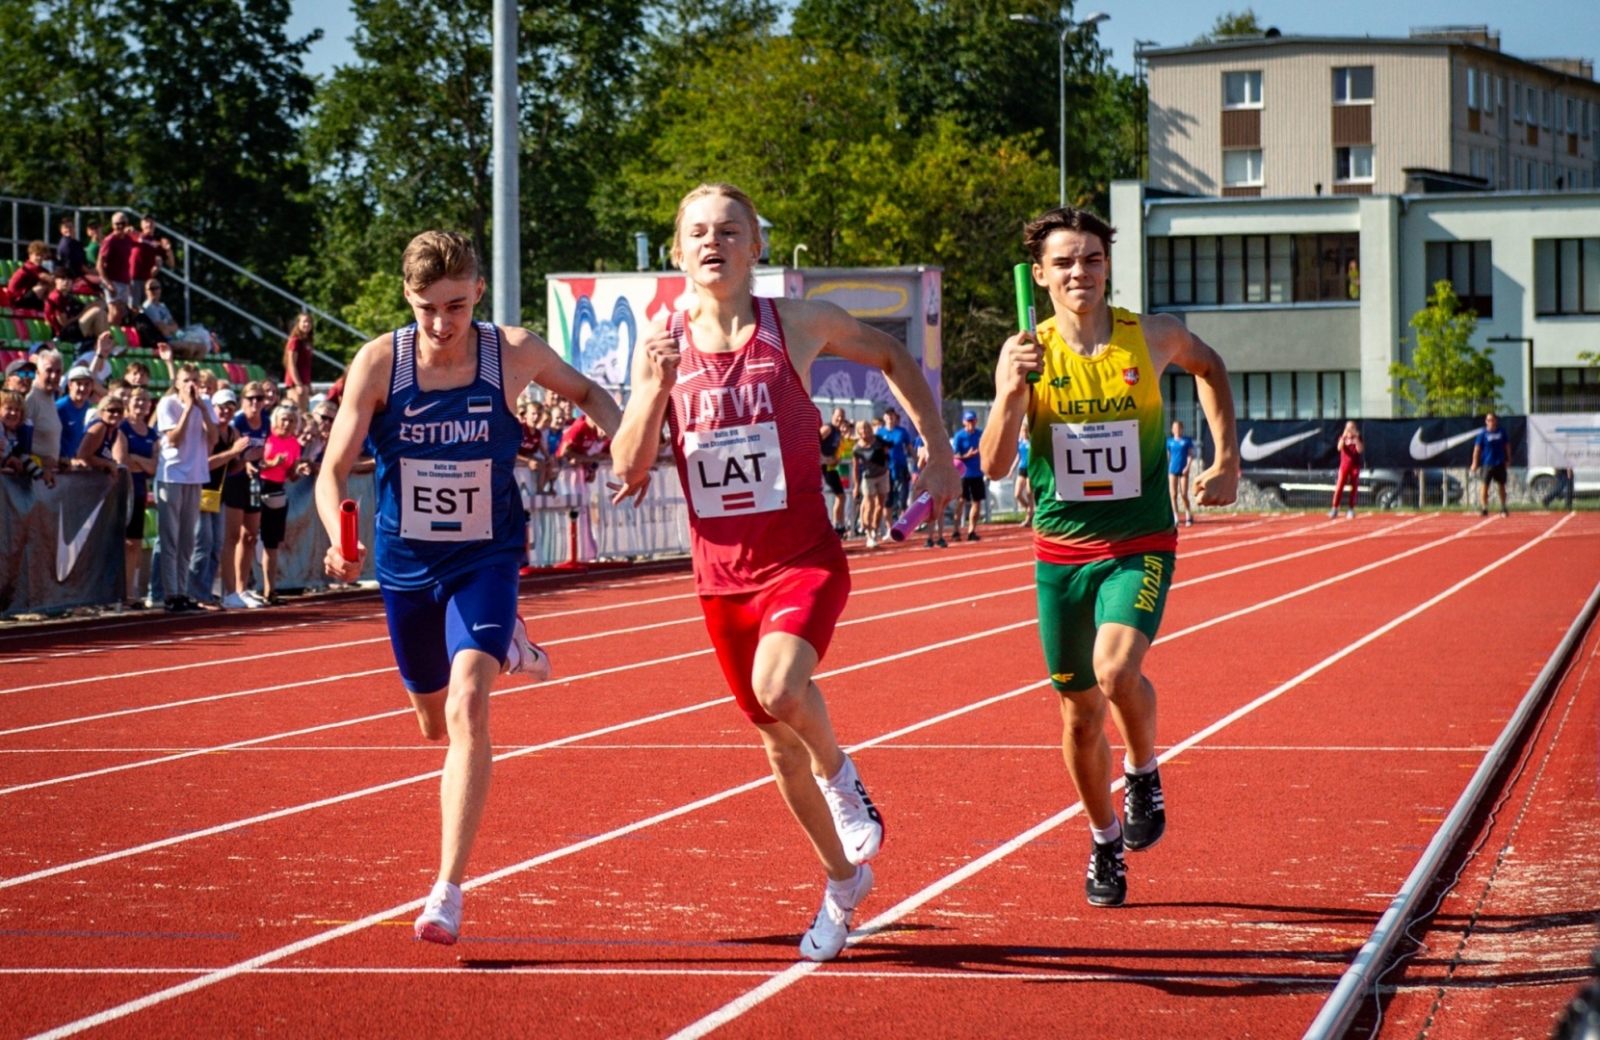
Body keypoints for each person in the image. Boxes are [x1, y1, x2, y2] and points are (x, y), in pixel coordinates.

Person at [607, 183, 958, 963]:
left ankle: (843, 776)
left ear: (755, 246)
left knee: (780, 689)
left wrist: (936, 447)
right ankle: (842, 885)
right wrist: (654, 387)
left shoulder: (795, 324)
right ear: (676, 251)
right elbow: (626, 467)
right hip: (721, 578)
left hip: (802, 560)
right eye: (697, 232)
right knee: (773, 746)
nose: (713, 243)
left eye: (729, 230)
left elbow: (894, 355)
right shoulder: (662, 345)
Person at [316, 229, 619, 946]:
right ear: (407, 298)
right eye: (427, 308)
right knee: (432, 724)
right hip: (404, 565)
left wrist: (625, 445)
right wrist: (337, 535)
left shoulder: (511, 352)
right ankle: (511, 644)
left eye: (455, 305)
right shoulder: (379, 363)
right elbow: (332, 472)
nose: (443, 324)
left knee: (469, 705)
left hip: (485, 557)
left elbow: (590, 392)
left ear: (478, 291)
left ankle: (447, 890)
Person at [980, 206, 1239, 908]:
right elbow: (996, 464)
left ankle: (1145, 769)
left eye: (1091, 259)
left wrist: (1227, 458)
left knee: (1116, 668)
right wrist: (1009, 393)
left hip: (1139, 541)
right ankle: (1102, 840)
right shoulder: (1025, 354)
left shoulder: (1148, 337)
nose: (1079, 272)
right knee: (1076, 716)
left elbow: (1209, 367)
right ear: (1040, 275)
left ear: (1107, 266)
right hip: (1060, 551)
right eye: (1064, 262)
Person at [154, 363, 218, 612]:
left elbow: (213, 438)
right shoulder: (168, 404)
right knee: (170, 537)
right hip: (171, 476)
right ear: (177, 383)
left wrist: (201, 407)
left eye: (194, 380)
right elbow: (173, 439)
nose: (191, 385)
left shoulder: (205, 404)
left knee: (187, 539)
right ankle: (171, 593)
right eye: (186, 380)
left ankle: (182, 589)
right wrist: (189, 408)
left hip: (195, 475)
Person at [221, 382, 271, 609]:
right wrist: (245, 462)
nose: (255, 403)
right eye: (250, 398)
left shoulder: (266, 421)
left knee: (250, 536)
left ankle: (243, 588)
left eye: (259, 398)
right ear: (243, 400)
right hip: (233, 480)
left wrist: (260, 463)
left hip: (254, 480)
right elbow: (231, 459)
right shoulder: (237, 422)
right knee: (232, 536)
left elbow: (263, 451)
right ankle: (229, 590)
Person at [258, 404, 306, 605]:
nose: (287, 424)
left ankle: (270, 591)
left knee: (272, 543)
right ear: (276, 420)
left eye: (292, 420)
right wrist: (272, 463)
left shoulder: (294, 444)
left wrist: (298, 471)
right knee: (247, 537)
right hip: (258, 487)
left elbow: (291, 474)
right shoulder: (267, 438)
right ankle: (237, 589)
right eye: (284, 419)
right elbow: (255, 464)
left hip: (277, 491)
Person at [121, 388, 160, 608]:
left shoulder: (151, 433)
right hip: (122, 490)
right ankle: (113, 593)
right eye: (137, 399)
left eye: (146, 400)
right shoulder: (122, 427)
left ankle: (128, 593)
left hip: (139, 491)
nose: (141, 404)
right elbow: (123, 459)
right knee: (119, 542)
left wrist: (136, 459)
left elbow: (154, 467)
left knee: (134, 543)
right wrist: (138, 460)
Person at [25, 347, 65, 483]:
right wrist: (41, 461)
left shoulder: (50, 397)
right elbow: (17, 442)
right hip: (29, 478)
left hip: (45, 478)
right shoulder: (31, 398)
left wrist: (59, 460)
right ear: (37, 372)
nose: (54, 376)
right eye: (49, 371)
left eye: (58, 372)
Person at [851, 418, 890, 547]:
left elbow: (888, 449)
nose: (865, 431)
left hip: (882, 474)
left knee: (880, 505)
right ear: (858, 431)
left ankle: (875, 529)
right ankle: (868, 534)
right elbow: (855, 467)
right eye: (862, 429)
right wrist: (856, 486)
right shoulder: (856, 448)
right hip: (868, 477)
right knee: (869, 503)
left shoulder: (878, 441)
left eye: (867, 428)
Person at [0, 389, 46, 484]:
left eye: (17, 410)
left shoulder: (14, 435)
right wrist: (6, 460)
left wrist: (41, 474)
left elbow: (22, 457)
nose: (13, 413)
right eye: (9, 408)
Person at [952, 410, 985, 541]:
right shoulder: (959, 436)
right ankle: (956, 530)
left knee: (977, 502)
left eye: (973, 420)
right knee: (962, 501)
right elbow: (954, 455)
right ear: (964, 422)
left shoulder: (980, 434)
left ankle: (972, 530)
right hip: (964, 474)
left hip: (977, 473)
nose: (971, 423)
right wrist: (967, 456)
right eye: (968, 420)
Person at [1471, 412, 1510, 518]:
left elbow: (1506, 446)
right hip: (1486, 464)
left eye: (1492, 420)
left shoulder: (1501, 432)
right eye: (1488, 420)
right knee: (1484, 486)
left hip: (1499, 463)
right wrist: (1474, 463)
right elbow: (1477, 449)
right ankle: (1484, 508)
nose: (1491, 422)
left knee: (1501, 486)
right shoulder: (1482, 434)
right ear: (1486, 421)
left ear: (1496, 420)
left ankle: (1503, 507)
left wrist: (1508, 459)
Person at [75, 392, 126, 475]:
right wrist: (108, 464)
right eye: (111, 411)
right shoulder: (100, 427)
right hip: (81, 477)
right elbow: (83, 457)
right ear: (102, 412)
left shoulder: (114, 431)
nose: (116, 414)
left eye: (120, 411)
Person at [56, 366, 97, 460]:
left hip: (71, 463)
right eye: (78, 384)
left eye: (87, 384)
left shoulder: (86, 405)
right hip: (58, 463)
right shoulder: (60, 407)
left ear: (92, 386)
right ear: (70, 385)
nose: (82, 388)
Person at [878, 407, 913, 517]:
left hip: (900, 466)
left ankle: (902, 522)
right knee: (888, 498)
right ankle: (889, 527)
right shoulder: (879, 433)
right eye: (888, 415)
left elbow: (909, 448)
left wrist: (917, 463)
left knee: (903, 497)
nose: (890, 418)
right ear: (884, 417)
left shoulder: (902, 432)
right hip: (886, 468)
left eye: (892, 415)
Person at [97, 213, 137, 305]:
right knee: (115, 311)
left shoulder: (128, 239)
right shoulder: (109, 241)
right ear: (112, 225)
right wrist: (108, 284)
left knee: (123, 312)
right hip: (112, 280)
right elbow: (99, 264)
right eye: (117, 224)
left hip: (124, 281)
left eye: (123, 223)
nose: (120, 226)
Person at [820, 407, 847, 535]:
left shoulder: (838, 432)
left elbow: (835, 449)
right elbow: (814, 441)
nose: (840, 419)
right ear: (832, 416)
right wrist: (824, 458)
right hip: (819, 466)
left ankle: (838, 524)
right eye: (838, 416)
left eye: (842, 416)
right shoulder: (828, 428)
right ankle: (832, 525)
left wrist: (836, 458)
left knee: (841, 495)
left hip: (829, 467)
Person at [1330, 421, 1362, 519]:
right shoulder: (1342, 437)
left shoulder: (1358, 438)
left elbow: (1360, 450)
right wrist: (1344, 437)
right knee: (1339, 487)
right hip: (1344, 465)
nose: (1350, 429)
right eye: (1348, 427)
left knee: (1354, 487)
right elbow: (1339, 448)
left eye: (1352, 427)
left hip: (1355, 466)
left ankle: (1351, 509)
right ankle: (1334, 508)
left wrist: (1356, 438)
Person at [1166, 420, 1196, 527]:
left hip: (1183, 470)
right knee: (1173, 494)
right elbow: (1167, 455)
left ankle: (1188, 514)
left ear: (1181, 429)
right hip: (1172, 470)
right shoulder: (1169, 441)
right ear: (1172, 430)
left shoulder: (1186, 441)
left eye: (1178, 427)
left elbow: (1190, 455)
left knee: (1184, 494)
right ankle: (1175, 517)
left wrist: (1187, 467)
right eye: (1174, 428)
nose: (1176, 429)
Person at [5, 241, 52, 310]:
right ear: (30, 255)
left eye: (42, 255)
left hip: (28, 298)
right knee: (45, 284)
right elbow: (49, 279)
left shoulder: (39, 269)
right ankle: (52, 306)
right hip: (18, 301)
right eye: (37, 255)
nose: (39, 258)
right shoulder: (29, 267)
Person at [283, 312, 315, 411]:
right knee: (296, 412)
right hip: (295, 383)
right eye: (304, 321)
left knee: (304, 412)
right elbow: (291, 364)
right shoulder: (295, 341)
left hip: (304, 383)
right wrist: (298, 384)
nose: (307, 324)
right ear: (298, 323)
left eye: (309, 322)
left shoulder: (307, 342)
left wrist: (308, 384)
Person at [1015, 429, 1035, 527]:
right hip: (1022, 468)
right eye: (1022, 431)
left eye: (1025, 431)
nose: (1023, 433)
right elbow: (1018, 457)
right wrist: (1011, 470)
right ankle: (1029, 509)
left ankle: (1028, 518)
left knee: (1029, 493)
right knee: (1017, 494)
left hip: (1030, 469)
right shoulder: (1019, 442)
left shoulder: (1031, 442)